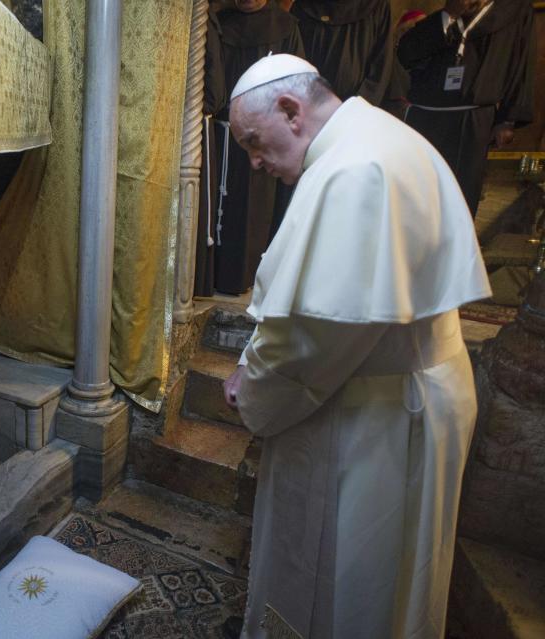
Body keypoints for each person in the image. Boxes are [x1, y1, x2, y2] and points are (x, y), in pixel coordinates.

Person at [221, 54, 492, 638]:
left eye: (253, 142)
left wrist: (251, 386)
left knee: (357, 583)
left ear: (291, 110)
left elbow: (313, 340)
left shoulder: (354, 169)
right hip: (401, 389)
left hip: (387, 413)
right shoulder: (373, 139)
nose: (255, 162)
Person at [194, 0, 305, 296]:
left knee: (253, 213)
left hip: (265, 137)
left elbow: (297, 83)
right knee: (220, 209)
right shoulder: (218, 21)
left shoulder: (285, 27)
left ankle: (245, 279)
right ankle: (215, 277)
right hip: (222, 133)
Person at [397, 0, 536, 217]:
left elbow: (521, 63)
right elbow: (405, 54)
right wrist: (448, 16)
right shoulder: (451, 9)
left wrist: (508, 118)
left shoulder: (515, 9)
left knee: (458, 203)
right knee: (414, 200)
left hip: (473, 119)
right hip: (424, 115)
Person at [291, 0, 394, 105]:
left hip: (353, 107)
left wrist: (360, 105)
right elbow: (292, 56)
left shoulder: (377, 6)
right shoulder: (304, 5)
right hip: (305, 101)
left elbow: (382, 63)